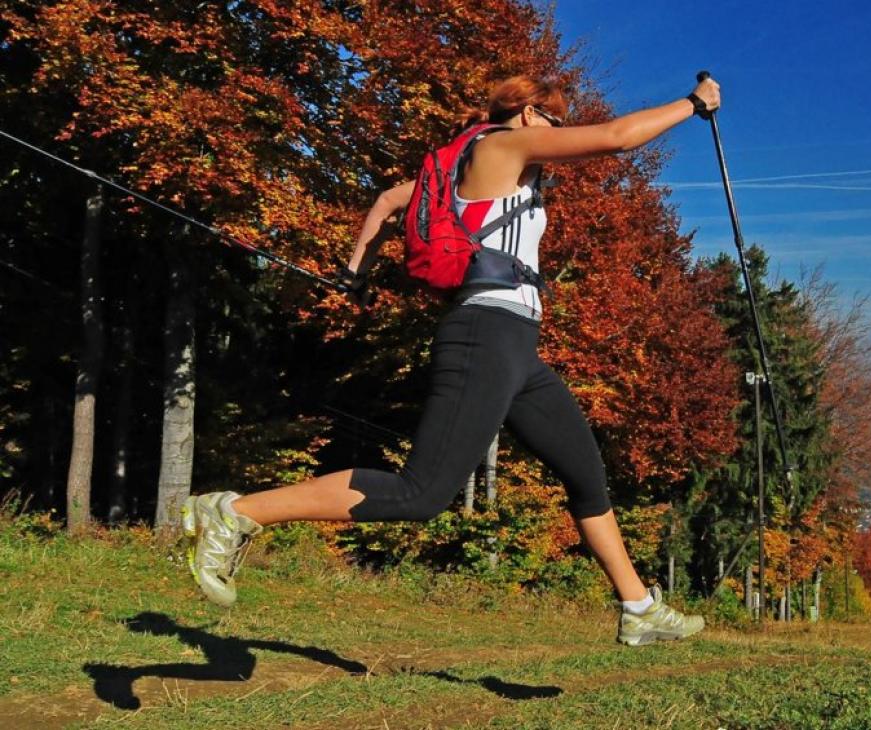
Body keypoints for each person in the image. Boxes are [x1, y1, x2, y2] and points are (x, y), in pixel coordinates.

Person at [183, 74, 722, 647]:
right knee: (422, 492)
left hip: (517, 347)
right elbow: (616, 137)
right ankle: (237, 511)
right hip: (483, 334)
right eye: (555, 120)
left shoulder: (463, 167)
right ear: (528, 112)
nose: (560, 132)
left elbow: (391, 201)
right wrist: (693, 104)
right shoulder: (501, 145)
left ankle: (637, 606)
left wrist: (355, 272)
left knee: (586, 475)